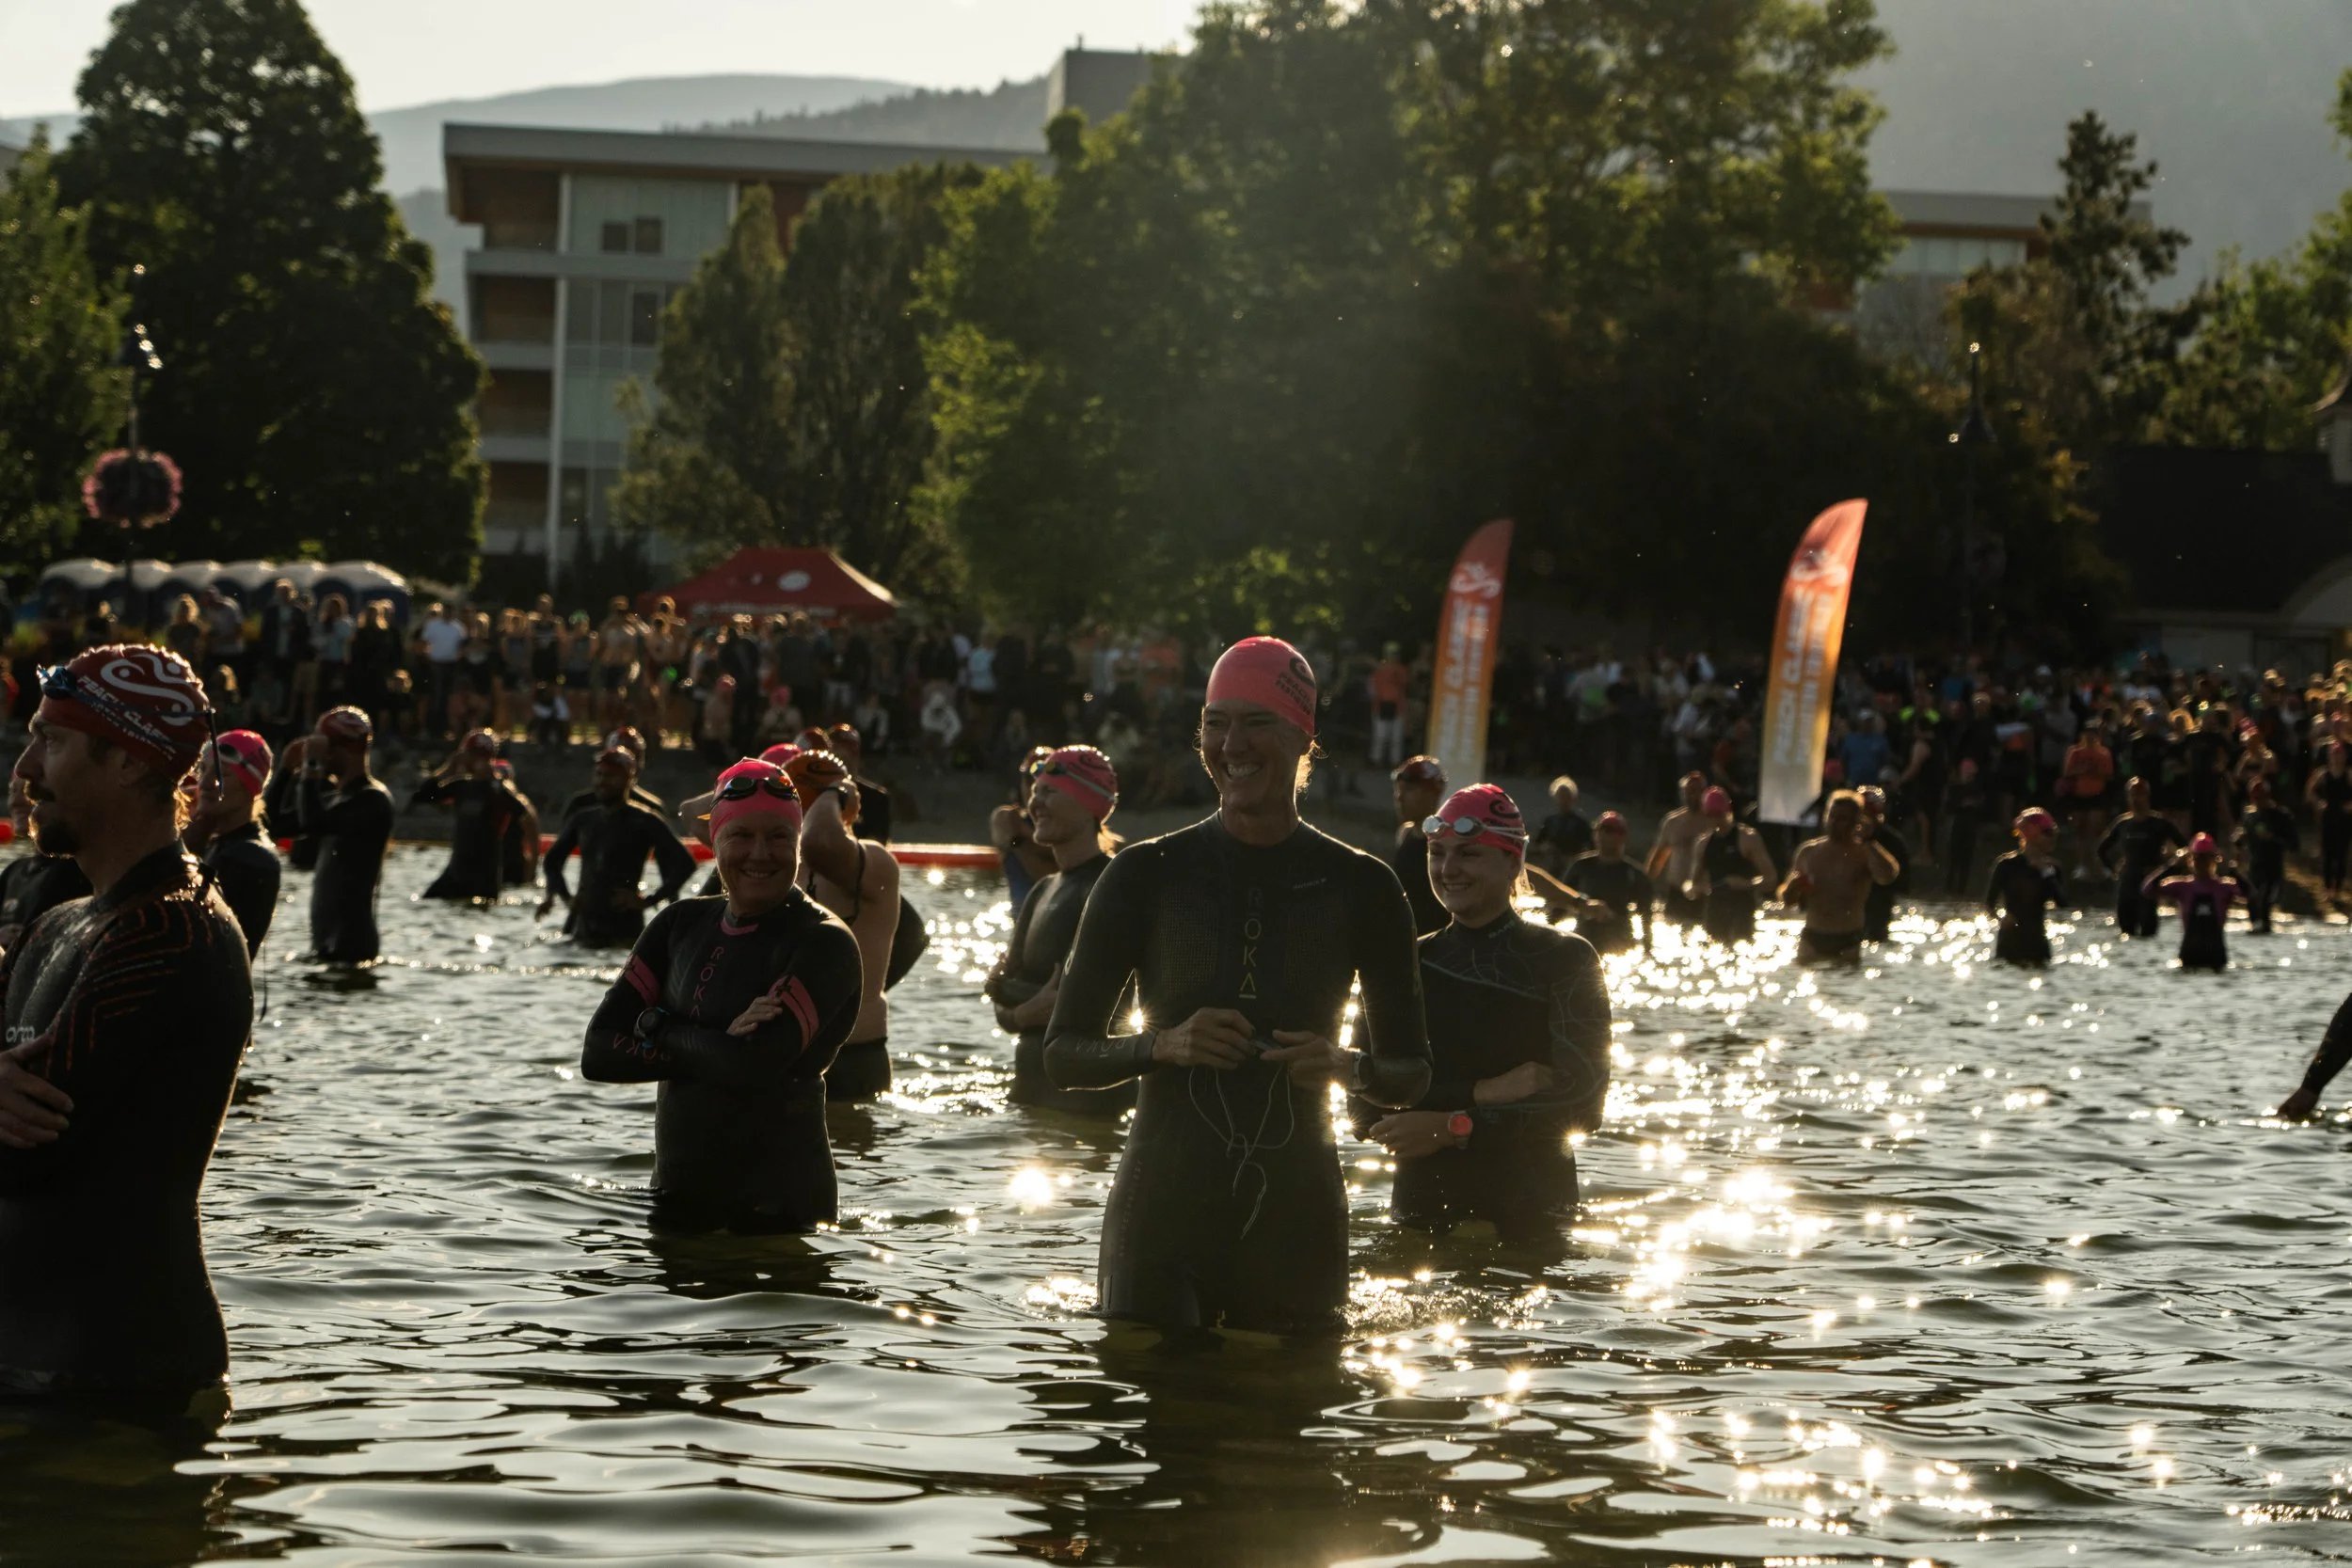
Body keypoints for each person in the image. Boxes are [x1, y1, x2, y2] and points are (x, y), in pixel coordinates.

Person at [1044, 636, 1430, 1336]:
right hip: (1160, 1211)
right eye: (1215, 724)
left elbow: (1410, 1073)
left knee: (1290, 1400)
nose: (1232, 745)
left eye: (1256, 723)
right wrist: (1161, 1045)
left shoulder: (1363, 886)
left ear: (1303, 736)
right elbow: (1063, 1053)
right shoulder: (1145, 874)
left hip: (1298, 1214)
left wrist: (1345, 1066)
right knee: (1152, 1392)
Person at [0, 645, 251, 1404]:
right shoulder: (60, 924)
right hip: (35, 1369)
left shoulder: (170, 931)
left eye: (52, 741)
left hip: (115, 1386)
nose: (25, 768)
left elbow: (30, 1157)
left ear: (130, 763)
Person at [578, 758, 864, 1233]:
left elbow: (750, 1065)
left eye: (778, 837)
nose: (760, 854)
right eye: (741, 836)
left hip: (780, 1222)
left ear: (797, 842)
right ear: (715, 841)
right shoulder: (678, 925)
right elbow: (598, 1052)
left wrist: (655, 1025)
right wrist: (715, 1042)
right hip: (674, 1207)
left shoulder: (822, 942)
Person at [1359, 784, 1609, 1243]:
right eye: (1437, 853)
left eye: (1469, 854)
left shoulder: (1566, 959)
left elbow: (1582, 1103)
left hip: (1533, 1218)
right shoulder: (1402, 966)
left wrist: (1451, 1128)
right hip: (1421, 1217)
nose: (1448, 869)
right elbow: (1365, 1106)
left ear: (1513, 862)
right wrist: (1482, 1093)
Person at [986, 745, 1136, 1115]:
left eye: (1050, 792)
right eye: (1035, 791)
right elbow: (1001, 999)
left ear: (1089, 806)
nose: (1034, 803)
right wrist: (1023, 1013)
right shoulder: (1041, 891)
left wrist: (1013, 995)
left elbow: (1094, 1003)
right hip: (1029, 1102)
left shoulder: (1113, 883)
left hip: (1092, 1107)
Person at [787, 751, 903, 1101]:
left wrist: (832, 791)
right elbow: (698, 817)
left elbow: (819, 841)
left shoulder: (875, 862)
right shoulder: (777, 863)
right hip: (788, 1058)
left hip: (853, 1060)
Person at [540, 748, 698, 946]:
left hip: (625, 929)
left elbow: (685, 864)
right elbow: (551, 860)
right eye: (599, 774)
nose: (602, 781)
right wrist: (566, 898)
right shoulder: (583, 820)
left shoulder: (645, 820)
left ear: (628, 779)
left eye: (610, 776)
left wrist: (648, 900)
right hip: (585, 928)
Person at [292, 706, 394, 963]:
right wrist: (284, 771)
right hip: (326, 941)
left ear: (345, 748)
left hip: (352, 943)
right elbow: (280, 823)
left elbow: (312, 824)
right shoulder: (336, 798)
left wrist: (311, 767)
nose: (320, 754)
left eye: (323, 747)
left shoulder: (373, 799)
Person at [182, 729, 280, 956]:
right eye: (202, 770)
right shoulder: (219, 843)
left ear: (249, 787)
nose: (205, 783)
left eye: (221, 775)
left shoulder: (249, 857)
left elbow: (193, 933)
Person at [1780, 790, 1900, 963]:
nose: (1834, 822)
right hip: (1812, 938)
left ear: (1856, 821)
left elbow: (1888, 876)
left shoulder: (1864, 853)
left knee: (1846, 978)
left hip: (1848, 940)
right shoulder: (1808, 852)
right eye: (1832, 816)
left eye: (1842, 818)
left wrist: (1870, 842)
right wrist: (1792, 888)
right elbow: (1788, 901)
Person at [411, 730, 525, 902]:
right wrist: (447, 769)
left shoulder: (497, 789)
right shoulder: (461, 786)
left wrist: (495, 780)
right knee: (425, 901)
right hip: (456, 873)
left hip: (483, 878)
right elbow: (422, 796)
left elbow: (522, 812)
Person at [0, 776, 89, 953]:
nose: (15, 802)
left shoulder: (79, 870)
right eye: (12, 791)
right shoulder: (13, 872)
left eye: (26, 790)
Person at [1685, 788, 1776, 947]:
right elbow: (1691, 884)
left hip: (1742, 911)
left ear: (1727, 811)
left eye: (1718, 814)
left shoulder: (1747, 838)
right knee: (1714, 950)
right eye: (1710, 815)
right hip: (1714, 911)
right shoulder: (1703, 844)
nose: (1715, 820)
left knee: (1740, 947)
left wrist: (1747, 884)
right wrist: (1695, 889)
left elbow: (1771, 879)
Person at [2098, 777, 2185, 938]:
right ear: (2127, 797)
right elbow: (2101, 850)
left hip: (2149, 884)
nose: (2136, 798)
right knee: (2126, 933)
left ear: (2147, 796)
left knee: (2148, 932)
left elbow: (2184, 849)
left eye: (2140, 794)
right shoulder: (2122, 824)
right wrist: (2114, 869)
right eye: (2133, 794)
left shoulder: (2159, 823)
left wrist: (2166, 871)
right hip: (2127, 882)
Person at [2142, 833, 2244, 972]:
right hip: (2189, 956)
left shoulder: (2225, 887)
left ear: (2215, 860)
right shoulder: (2182, 886)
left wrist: (2233, 870)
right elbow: (2147, 889)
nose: (2202, 864)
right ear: (2190, 860)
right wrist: (2171, 866)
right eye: (2197, 859)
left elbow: (2250, 895)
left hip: (2216, 956)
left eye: (2206, 859)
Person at [1562, 811, 1651, 955]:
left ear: (1623, 837)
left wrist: (1647, 948)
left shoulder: (1634, 874)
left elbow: (1646, 916)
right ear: (1595, 834)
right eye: (1604, 830)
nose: (1608, 836)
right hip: (1585, 939)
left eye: (1614, 831)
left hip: (1619, 942)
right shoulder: (1581, 866)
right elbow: (1559, 903)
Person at [1985, 809, 2065, 966]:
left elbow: (2062, 902)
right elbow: (1989, 904)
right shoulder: (2006, 865)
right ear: (2032, 834)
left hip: (2037, 938)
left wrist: (2046, 873)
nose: (2052, 838)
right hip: (2010, 938)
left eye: (2053, 833)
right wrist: (2000, 918)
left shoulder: (2052, 868)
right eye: (2047, 833)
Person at [1389, 754, 1450, 937]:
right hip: (1406, 939)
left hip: (1436, 942)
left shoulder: (1448, 844)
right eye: (1398, 790)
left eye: (1408, 790)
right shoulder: (1404, 834)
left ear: (1432, 795)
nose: (1400, 798)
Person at [2234, 778, 2299, 936]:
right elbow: (2241, 841)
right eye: (2256, 799)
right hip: (2255, 866)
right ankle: (2256, 932)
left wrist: (2272, 838)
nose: (2258, 802)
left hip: (2273, 867)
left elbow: (2294, 845)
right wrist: (2240, 839)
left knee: (2265, 903)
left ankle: (2266, 928)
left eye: (2261, 798)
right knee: (2251, 901)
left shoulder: (2282, 816)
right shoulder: (2250, 817)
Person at [1646, 772, 1711, 926]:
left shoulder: (1712, 822)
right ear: (1682, 794)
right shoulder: (1672, 822)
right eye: (1689, 792)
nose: (1693, 796)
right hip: (1676, 892)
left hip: (1705, 894)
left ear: (1705, 792)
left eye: (1697, 791)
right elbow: (1657, 858)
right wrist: (1646, 889)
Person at [1855, 784, 1909, 942]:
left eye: (1869, 815)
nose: (1864, 822)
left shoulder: (1894, 842)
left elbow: (1902, 883)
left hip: (1878, 908)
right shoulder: (1843, 840)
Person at [2308, 741, 2352, 900]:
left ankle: (2337, 888)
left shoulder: (2349, 774)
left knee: (2341, 853)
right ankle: (2327, 887)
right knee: (2327, 852)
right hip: (2328, 816)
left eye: (2339, 754)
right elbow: (2310, 791)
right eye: (2334, 754)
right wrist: (2318, 803)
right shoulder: (2322, 773)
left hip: (2344, 818)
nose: (2337, 757)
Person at [1528, 775, 1594, 879]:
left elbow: (1592, 848)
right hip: (1552, 867)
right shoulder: (1550, 821)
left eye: (1567, 797)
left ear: (1573, 799)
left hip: (1573, 869)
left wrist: (1577, 858)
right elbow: (1536, 844)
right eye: (1561, 797)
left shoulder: (1581, 823)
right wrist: (1544, 848)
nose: (1564, 801)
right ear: (1555, 798)